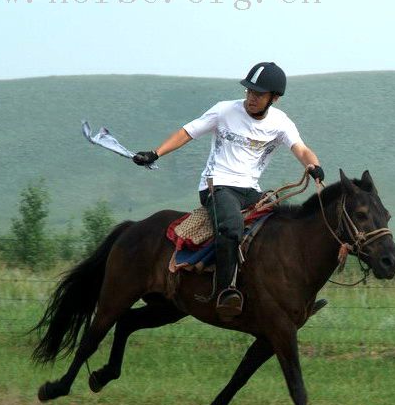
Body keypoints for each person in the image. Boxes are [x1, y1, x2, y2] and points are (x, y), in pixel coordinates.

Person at [133, 62, 324, 319]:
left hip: (251, 190)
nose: (251, 97)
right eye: (249, 91)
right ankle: (225, 293)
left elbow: (300, 149)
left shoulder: (280, 122)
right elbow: (188, 132)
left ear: (274, 98)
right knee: (232, 227)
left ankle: (287, 299)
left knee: (281, 229)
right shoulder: (224, 111)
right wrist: (155, 153)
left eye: (258, 94)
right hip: (217, 185)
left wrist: (313, 165)